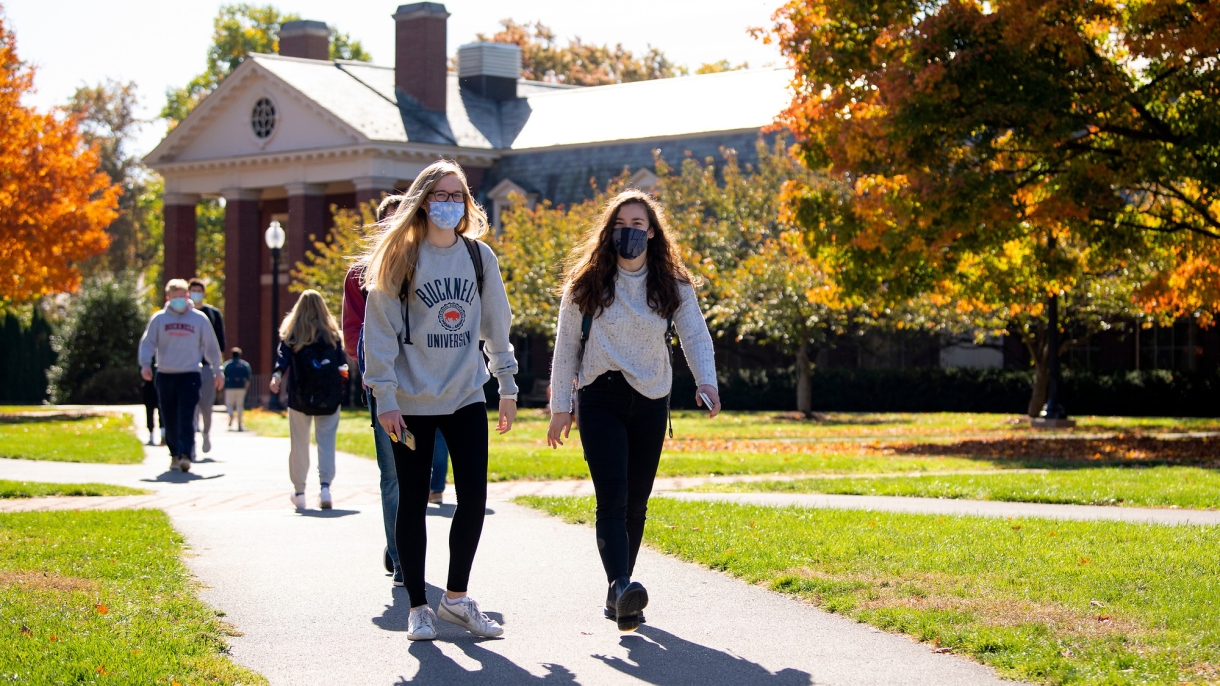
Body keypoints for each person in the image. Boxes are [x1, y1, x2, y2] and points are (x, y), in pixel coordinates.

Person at [546, 189, 720, 633]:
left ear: (653, 232)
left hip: (652, 398)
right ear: (609, 231)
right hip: (599, 396)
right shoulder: (586, 283)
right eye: (621, 225)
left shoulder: (672, 283)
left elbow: (695, 335)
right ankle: (621, 584)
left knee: (637, 504)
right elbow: (566, 348)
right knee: (613, 497)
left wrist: (706, 381)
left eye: (638, 224)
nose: (629, 232)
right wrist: (560, 407)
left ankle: (620, 594)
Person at [362, 159, 518, 642]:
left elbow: (497, 325)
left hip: (466, 393)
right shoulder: (400, 257)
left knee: (473, 497)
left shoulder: (478, 257)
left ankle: (455, 599)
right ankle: (418, 608)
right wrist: (385, 397)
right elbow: (379, 334)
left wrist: (507, 384)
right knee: (412, 502)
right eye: (441, 195)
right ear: (423, 200)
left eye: (457, 196)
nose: (449, 204)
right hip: (411, 400)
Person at [269, 290, 346, 511]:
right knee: (326, 443)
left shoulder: (292, 334)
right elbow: (342, 367)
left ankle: (300, 492)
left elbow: (282, 360)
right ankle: (325, 488)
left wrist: (276, 376)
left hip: (299, 397)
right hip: (329, 399)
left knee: (299, 445)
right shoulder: (332, 335)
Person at [138, 279, 224, 472]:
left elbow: (211, 346)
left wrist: (217, 370)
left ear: (187, 296)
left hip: (190, 374)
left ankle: (186, 454)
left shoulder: (199, 319)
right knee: (169, 416)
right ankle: (174, 454)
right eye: (174, 297)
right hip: (166, 374)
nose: (178, 300)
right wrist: (145, 364)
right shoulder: (159, 319)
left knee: (186, 415)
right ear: (168, 298)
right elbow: (148, 343)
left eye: (181, 296)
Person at [188, 278, 226, 455]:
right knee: (191, 405)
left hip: (207, 367)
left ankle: (206, 433)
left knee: (206, 405)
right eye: (192, 290)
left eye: (198, 291)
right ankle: (191, 442)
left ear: (203, 293)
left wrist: (218, 368)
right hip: (189, 366)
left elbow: (220, 343)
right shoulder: (185, 315)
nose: (195, 294)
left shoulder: (212, 314)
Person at [222, 347, 252, 431]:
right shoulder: (244, 365)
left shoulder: (227, 365)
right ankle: (239, 424)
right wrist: (246, 388)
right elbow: (248, 378)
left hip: (229, 387)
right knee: (240, 406)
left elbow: (223, 376)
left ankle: (231, 415)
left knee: (229, 404)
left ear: (231, 355)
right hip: (241, 387)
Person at [141, 357, 161, 446]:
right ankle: (151, 435)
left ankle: (163, 434)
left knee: (163, 411)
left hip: (161, 384)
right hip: (149, 385)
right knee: (149, 411)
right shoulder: (146, 355)